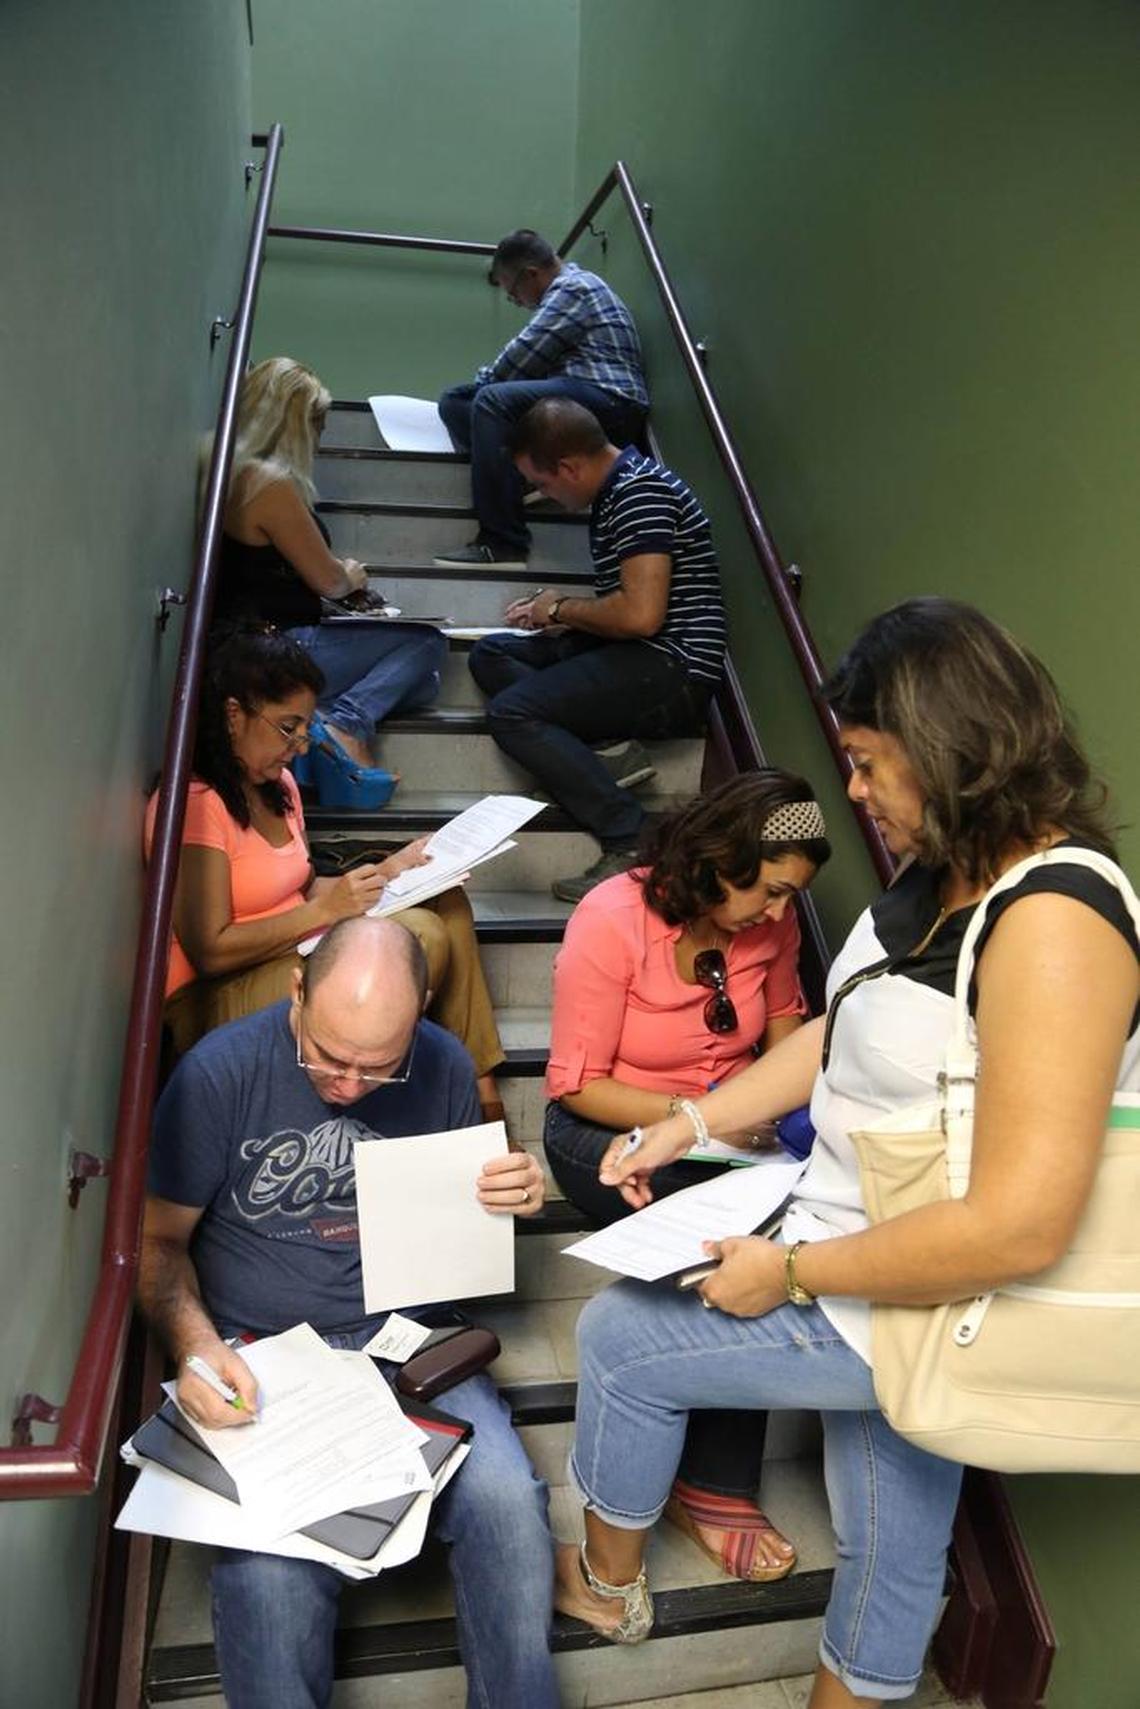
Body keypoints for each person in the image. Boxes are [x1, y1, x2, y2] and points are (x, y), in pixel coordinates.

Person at [553, 599, 1140, 1704]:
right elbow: (842, 1023)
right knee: (894, 1530)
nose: (854, 791)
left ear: (948, 742)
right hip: (870, 1255)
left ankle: (602, 1579)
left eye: (869, 761)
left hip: (915, 1286)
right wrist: (689, 1120)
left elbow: (1021, 1222)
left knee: (623, 1339)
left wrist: (786, 1272)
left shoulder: (1060, 923)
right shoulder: (944, 875)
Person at [138, 915, 557, 1709]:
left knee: (509, 1503)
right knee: (267, 1576)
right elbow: (157, 1243)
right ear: (297, 988)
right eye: (329, 1056)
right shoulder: (217, 1074)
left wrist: (515, 1196)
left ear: (421, 1013)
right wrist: (196, 1345)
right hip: (264, 1349)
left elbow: (466, 1208)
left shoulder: (441, 1063)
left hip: (408, 1340)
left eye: (377, 1067)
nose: (348, 1084)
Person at [544, 770, 830, 1580]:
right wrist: (697, 1114)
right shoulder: (611, 918)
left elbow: (785, 1039)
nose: (779, 913)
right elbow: (578, 1083)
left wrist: (757, 1116)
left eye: (790, 897)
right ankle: (712, 1484)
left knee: (787, 1225)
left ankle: (705, 1474)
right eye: (771, 890)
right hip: (607, 1127)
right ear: (720, 857)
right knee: (731, 1241)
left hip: (731, 1132)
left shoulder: (770, 928)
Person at [145, 625, 506, 1120]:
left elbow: (300, 885)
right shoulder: (197, 803)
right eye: (286, 727)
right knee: (417, 938)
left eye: (304, 728)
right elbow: (211, 949)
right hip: (210, 997)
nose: (300, 744)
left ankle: (482, 1092)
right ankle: (408, 1086)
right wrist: (325, 911)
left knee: (444, 900)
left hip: (294, 951)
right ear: (234, 715)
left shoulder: (280, 786)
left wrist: (390, 871)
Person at [468, 398, 728, 903]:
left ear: (569, 467)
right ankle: (604, 759)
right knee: (493, 654)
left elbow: (640, 616)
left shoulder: (640, 492)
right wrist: (556, 619)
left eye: (542, 483)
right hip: (639, 654)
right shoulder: (618, 493)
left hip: (674, 668)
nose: (543, 495)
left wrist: (560, 608)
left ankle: (630, 837)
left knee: (512, 712)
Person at [215, 355, 445, 780]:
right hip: (281, 640)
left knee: (426, 684)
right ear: (296, 424)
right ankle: (346, 726)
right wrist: (353, 574)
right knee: (427, 645)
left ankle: (314, 715)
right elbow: (329, 580)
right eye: (317, 425)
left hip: (253, 635)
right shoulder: (269, 484)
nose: (320, 438)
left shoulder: (227, 473)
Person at [435, 229, 648, 569]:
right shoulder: (569, 290)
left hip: (611, 403)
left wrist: (485, 382)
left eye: (514, 294)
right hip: (582, 397)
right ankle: (521, 480)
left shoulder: (574, 288)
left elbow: (520, 358)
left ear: (531, 274)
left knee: (489, 400)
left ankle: (503, 542)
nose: (519, 303)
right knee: (454, 402)